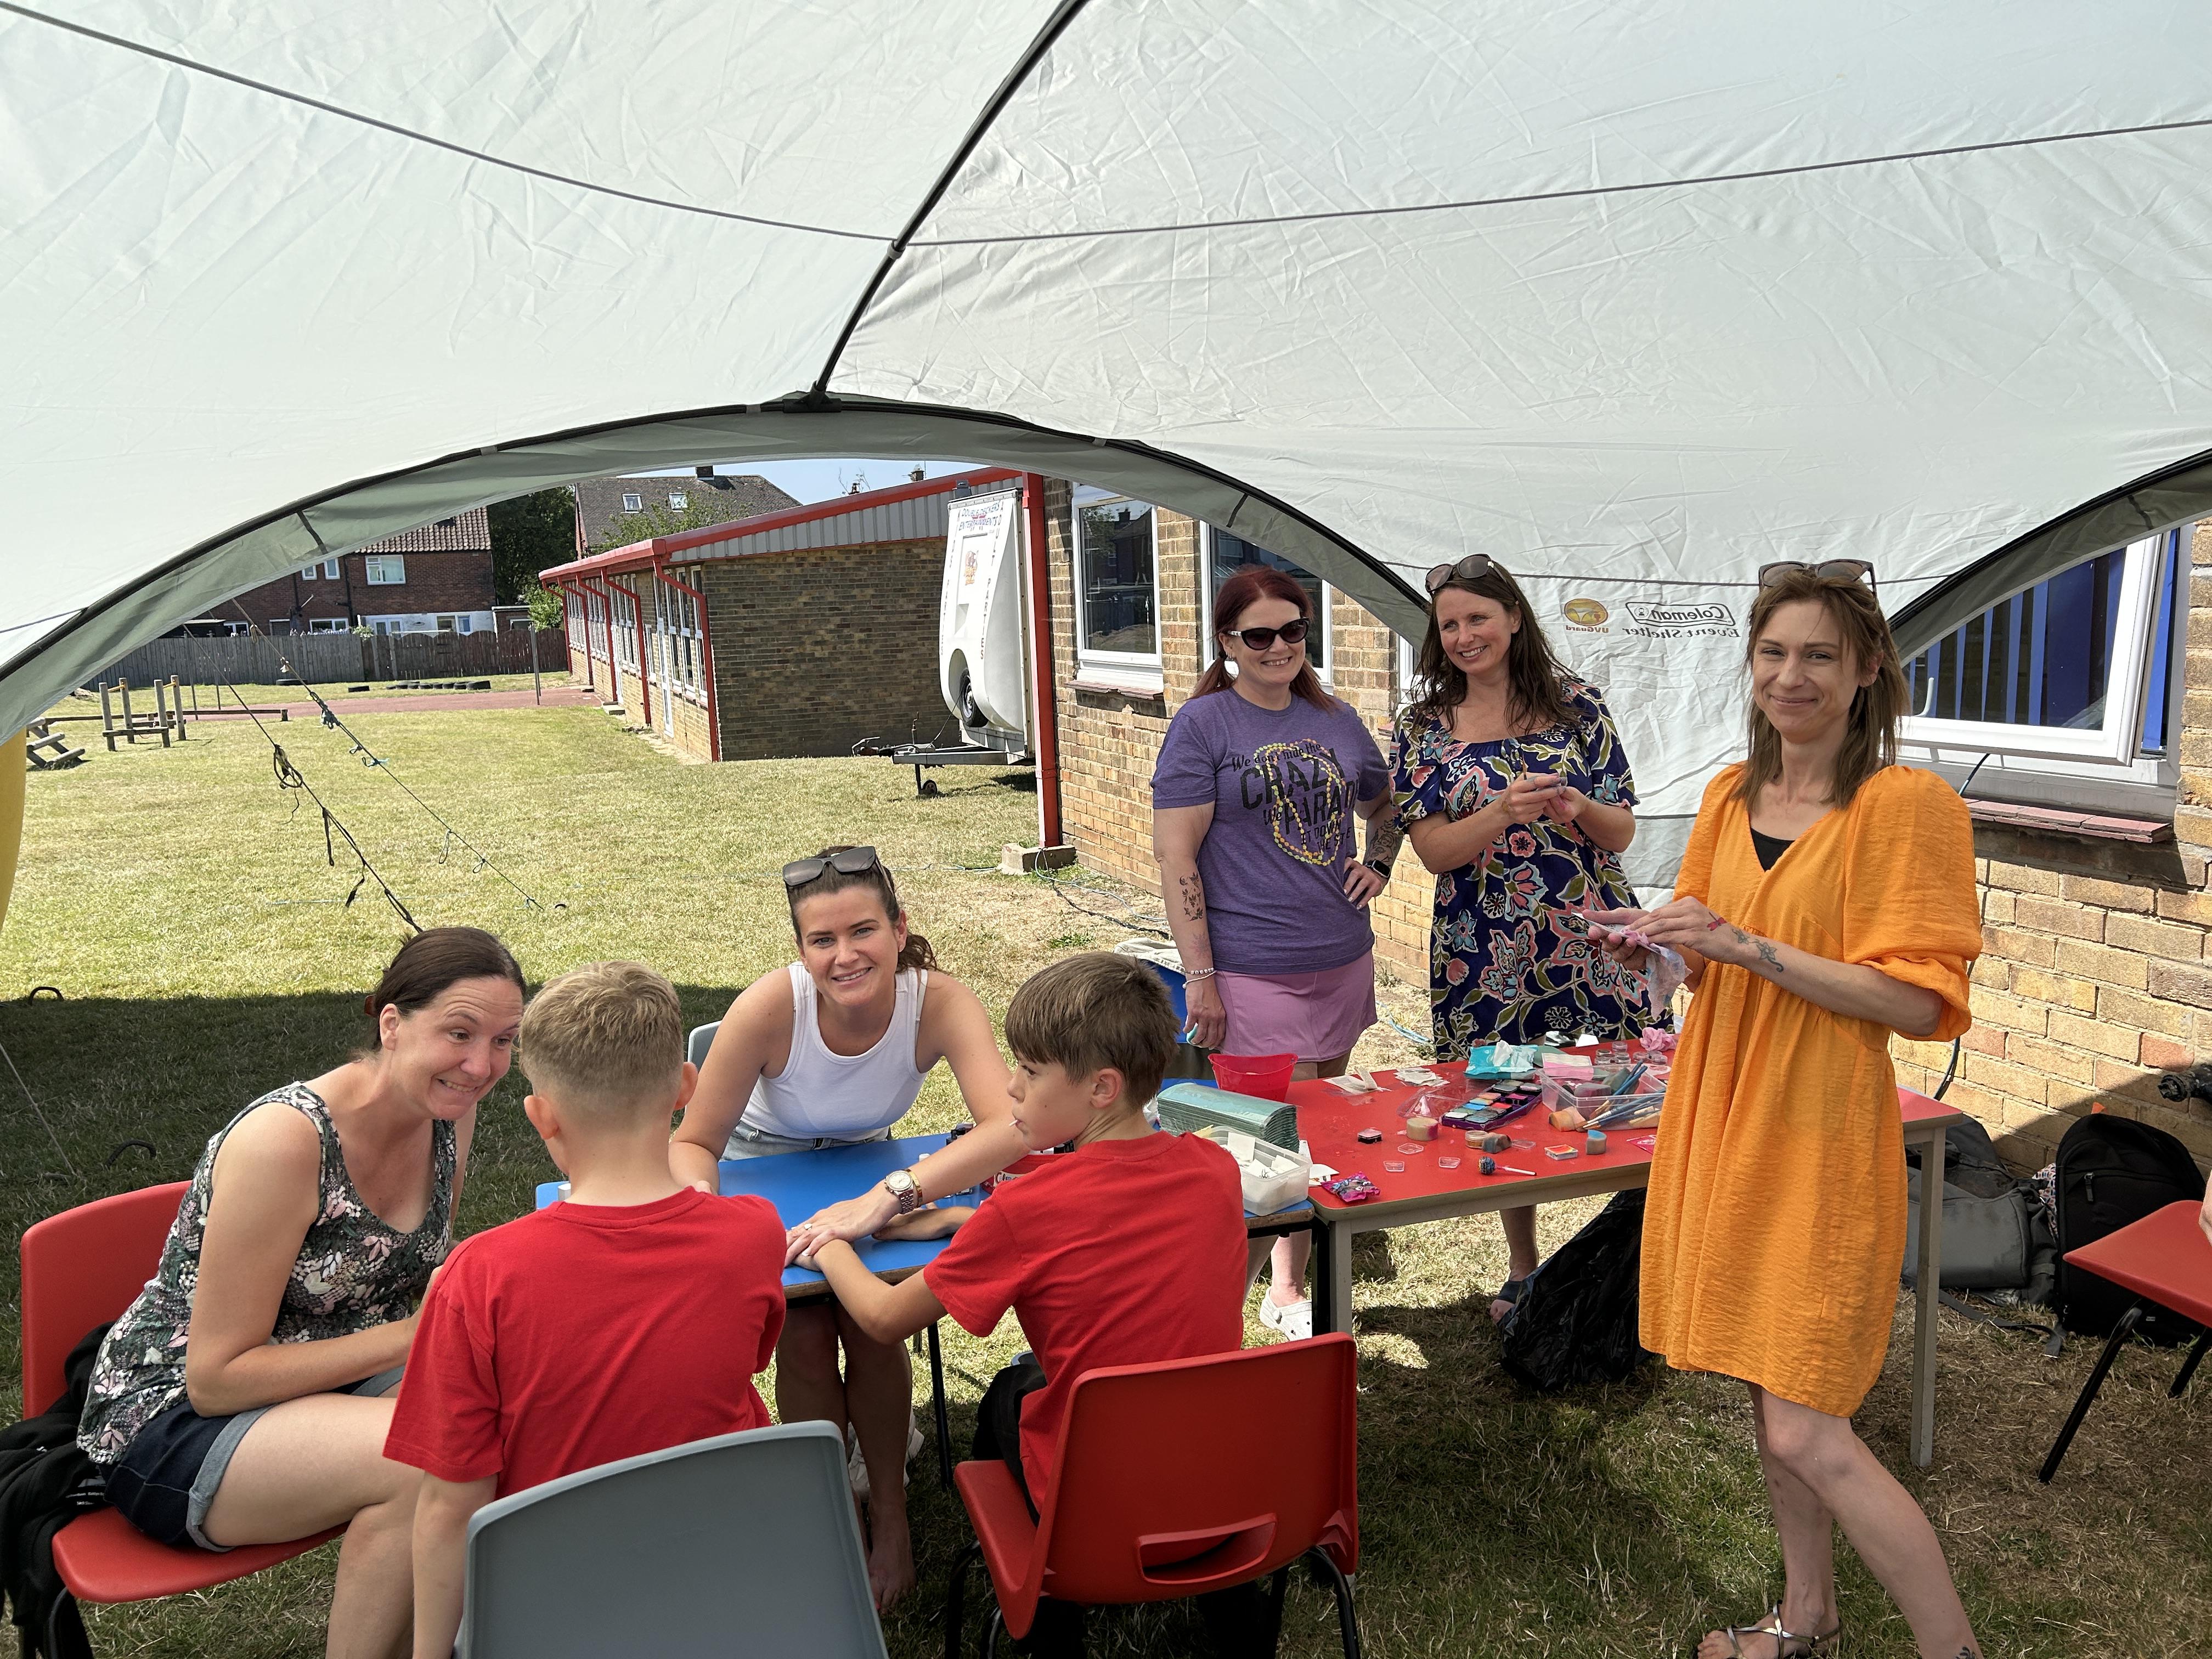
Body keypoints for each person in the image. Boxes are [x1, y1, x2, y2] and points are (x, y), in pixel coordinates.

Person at [1588, 561, 1984, 1659]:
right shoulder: (1728, 795)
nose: (1790, 675)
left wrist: (1744, 943)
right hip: (1724, 1112)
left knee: (1810, 1426)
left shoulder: (1905, 806)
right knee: (1775, 1401)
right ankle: (1805, 1618)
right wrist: (1655, 950)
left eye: (1818, 654)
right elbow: (1704, 959)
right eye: (1773, 652)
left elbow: (1917, 1000)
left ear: (1866, 670)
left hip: (1818, 1129)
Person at [75, 927, 526, 1659]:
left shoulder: (447, 1111)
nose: (482, 1065)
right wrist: (412, 1338)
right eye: (459, 1033)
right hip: (174, 1418)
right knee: (428, 1458)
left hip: (330, 1376)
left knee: (511, 1415)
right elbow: (217, 1378)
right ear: (392, 1024)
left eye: (504, 1041)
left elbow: (410, 1285)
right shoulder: (287, 1141)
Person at [800, 951, 1251, 1656]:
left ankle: (1046, 1605)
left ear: (1101, 1088)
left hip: (1097, 1498)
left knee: (1009, 1399)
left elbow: (884, 1320)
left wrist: (828, 1244)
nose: (1010, 1086)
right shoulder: (1216, 1169)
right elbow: (1103, 1221)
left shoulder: (1028, 1209)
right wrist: (965, 1221)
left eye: (1032, 1071)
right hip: (1222, 1475)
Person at [389, 961, 786, 1659]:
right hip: (721, 1575)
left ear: (541, 1115)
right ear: (684, 1088)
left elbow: (451, 1505)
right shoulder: (755, 1234)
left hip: (550, 1601)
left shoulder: (479, 1276)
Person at [670, 845, 1020, 1609]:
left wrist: (891, 1195)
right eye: (821, 940)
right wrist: (711, 1221)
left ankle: (889, 1512)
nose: (844, 955)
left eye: (862, 931)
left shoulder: (938, 1002)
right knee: (802, 1333)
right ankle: (831, 1509)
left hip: (869, 1174)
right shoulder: (771, 1007)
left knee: (872, 1327)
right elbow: (694, 1143)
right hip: (763, 1172)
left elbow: (1010, 1128)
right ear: (801, 951)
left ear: (899, 929)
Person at [1391, 554, 1646, 1320]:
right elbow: (1435, 852)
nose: (1465, 636)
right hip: (1484, 948)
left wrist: (1577, 807)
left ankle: (1632, 1265)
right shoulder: (1423, 727)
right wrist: (1500, 811)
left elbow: (1621, 831)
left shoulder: (1579, 708)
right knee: (1501, 1095)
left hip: (1592, 939)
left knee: (1623, 1089)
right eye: (1450, 625)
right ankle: (1523, 1263)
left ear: (1512, 618)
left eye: (1478, 618)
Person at [1152, 565, 1398, 1341]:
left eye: (1293, 630)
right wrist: (1201, 978)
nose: (1279, 647)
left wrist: (1380, 861)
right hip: (1250, 966)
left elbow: (1385, 801)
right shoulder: (1204, 726)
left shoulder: (1336, 719)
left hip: (1340, 956)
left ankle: (1286, 1284)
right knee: (1269, 1139)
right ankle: (1245, 1300)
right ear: (1227, 642)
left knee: (1314, 1128)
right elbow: (1176, 855)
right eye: (1258, 635)